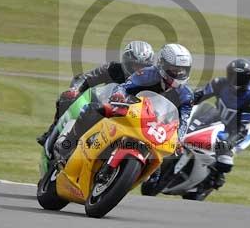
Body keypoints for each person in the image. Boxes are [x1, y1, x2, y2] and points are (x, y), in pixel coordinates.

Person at [53, 43, 195, 163]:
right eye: (174, 69)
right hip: (127, 110)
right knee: (92, 110)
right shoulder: (148, 74)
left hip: (152, 125)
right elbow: (124, 86)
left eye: (183, 71)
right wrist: (119, 96)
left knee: (159, 162)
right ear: (162, 65)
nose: (178, 74)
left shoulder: (186, 95)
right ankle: (67, 145)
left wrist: (179, 139)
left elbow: (184, 120)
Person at [37, 41, 155, 146]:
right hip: (102, 107)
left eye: (143, 67)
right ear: (126, 62)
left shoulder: (152, 82)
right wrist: (75, 89)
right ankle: (51, 134)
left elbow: (160, 104)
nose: (138, 70)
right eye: (135, 65)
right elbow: (86, 78)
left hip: (129, 119)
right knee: (66, 99)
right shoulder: (113, 69)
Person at [192, 58, 250, 192]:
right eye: (232, 76)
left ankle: (217, 176)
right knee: (190, 127)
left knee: (224, 158)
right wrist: (186, 100)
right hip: (217, 118)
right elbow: (199, 95)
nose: (235, 80)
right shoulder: (219, 83)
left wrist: (228, 143)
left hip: (237, 130)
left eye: (239, 78)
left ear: (247, 79)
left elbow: (243, 129)